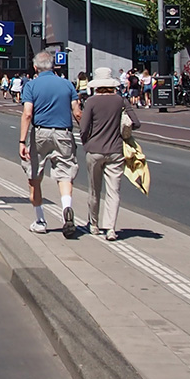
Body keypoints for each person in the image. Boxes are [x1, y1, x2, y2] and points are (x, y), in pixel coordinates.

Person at [18, 49, 83, 236]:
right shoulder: (67, 85)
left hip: (40, 133)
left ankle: (40, 220)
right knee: (65, 173)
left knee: (34, 175)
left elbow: (28, 113)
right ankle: (66, 210)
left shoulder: (31, 85)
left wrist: (22, 141)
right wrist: (85, 132)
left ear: (35, 67)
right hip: (64, 133)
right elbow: (77, 112)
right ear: (53, 66)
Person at [78, 67, 138, 241]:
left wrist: (86, 143)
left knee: (94, 189)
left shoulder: (91, 101)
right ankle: (110, 228)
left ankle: (94, 224)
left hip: (94, 150)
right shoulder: (120, 100)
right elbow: (136, 122)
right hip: (116, 150)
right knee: (114, 191)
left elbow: (83, 128)